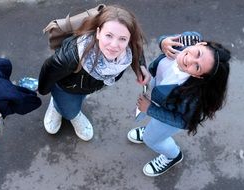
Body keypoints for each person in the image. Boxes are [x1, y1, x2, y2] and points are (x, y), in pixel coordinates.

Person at [38, 5, 150, 141]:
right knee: (69, 109)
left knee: (79, 98)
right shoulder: (73, 55)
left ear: (129, 39)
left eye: (122, 39)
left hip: (88, 85)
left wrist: (140, 66)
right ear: (98, 32)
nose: (114, 45)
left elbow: (137, 47)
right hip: (67, 88)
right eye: (109, 35)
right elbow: (49, 68)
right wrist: (44, 90)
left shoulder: (129, 48)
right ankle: (64, 109)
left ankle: (60, 105)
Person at [127, 32, 231, 177]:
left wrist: (150, 109)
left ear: (197, 76)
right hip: (158, 95)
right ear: (200, 44)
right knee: (154, 128)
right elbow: (167, 39)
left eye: (197, 67)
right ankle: (152, 131)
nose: (189, 59)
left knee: (151, 139)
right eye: (198, 53)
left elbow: (184, 122)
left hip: (168, 117)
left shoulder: (191, 97)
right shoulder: (189, 40)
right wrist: (163, 42)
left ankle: (172, 156)